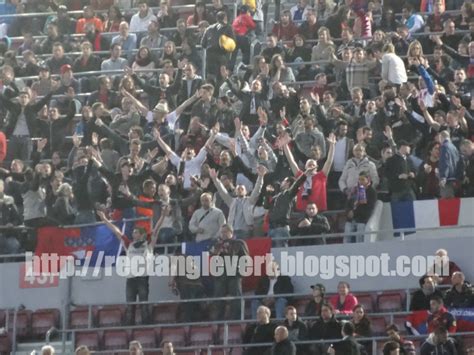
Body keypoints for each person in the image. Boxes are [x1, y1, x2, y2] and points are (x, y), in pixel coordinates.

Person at [97, 208, 167, 325]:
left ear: (141, 234)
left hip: (143, 278)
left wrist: (163, 216)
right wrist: (104, 220)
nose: (133, 234)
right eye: (133, 232)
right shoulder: (129, 244)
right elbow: (117, 231)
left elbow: (156, 230)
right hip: (131, 278)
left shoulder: (148, 244)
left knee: (144, 305)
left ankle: (146, 325)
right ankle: (129, 327)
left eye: (135, 232)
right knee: (130, 306)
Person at [210, 165, 265, 239]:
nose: (240, 190)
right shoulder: (232, 201)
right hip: (232, 232)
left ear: (246, 192)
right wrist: (215, 179)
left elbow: (257, 189)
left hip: (245, 231)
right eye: (238, 189)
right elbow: (222, 191)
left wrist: (260, 177)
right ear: (235, 192)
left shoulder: (250, 201)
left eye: (242, 189)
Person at [210, 224, 250, 319]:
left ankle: (236, 318)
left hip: (234, 273)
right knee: (218, 298)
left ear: (231, 232)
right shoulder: (217, 244)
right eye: (222, 232)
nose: (223, 234)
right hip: (221, 274)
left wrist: (241, 272)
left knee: (235, 297)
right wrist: (217, 251)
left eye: (225, 232)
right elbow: (212, 258)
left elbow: (246, 258)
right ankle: (218, 319)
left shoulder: (239, 243)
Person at [343, 171, 377, 243]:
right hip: (351, 218)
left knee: (359, 237)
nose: (360, 181)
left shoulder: (371, 192)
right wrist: (348, 212)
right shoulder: (354, 190)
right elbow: (348, 203)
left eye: (362, 179)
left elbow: (369, 207)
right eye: (359, 179)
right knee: (346, 235)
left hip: (362, 219)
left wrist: (354, 213)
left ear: (368, 179)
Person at [201, 11, 235, 78]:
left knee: (210, 81)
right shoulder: (228, 27)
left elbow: (203, 44)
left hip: (209, 58)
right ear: (225, 18)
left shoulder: (208, 29)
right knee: (221, 80)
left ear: (216, 18)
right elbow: (233, 44)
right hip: (222, 58)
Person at [437, 130, 462, 198]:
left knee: (447, 203)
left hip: (448, 180)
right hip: (455, 178)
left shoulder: (444, 147)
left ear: (441, 137)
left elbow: (445, 162)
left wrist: (443, 177)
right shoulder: (454, 147)